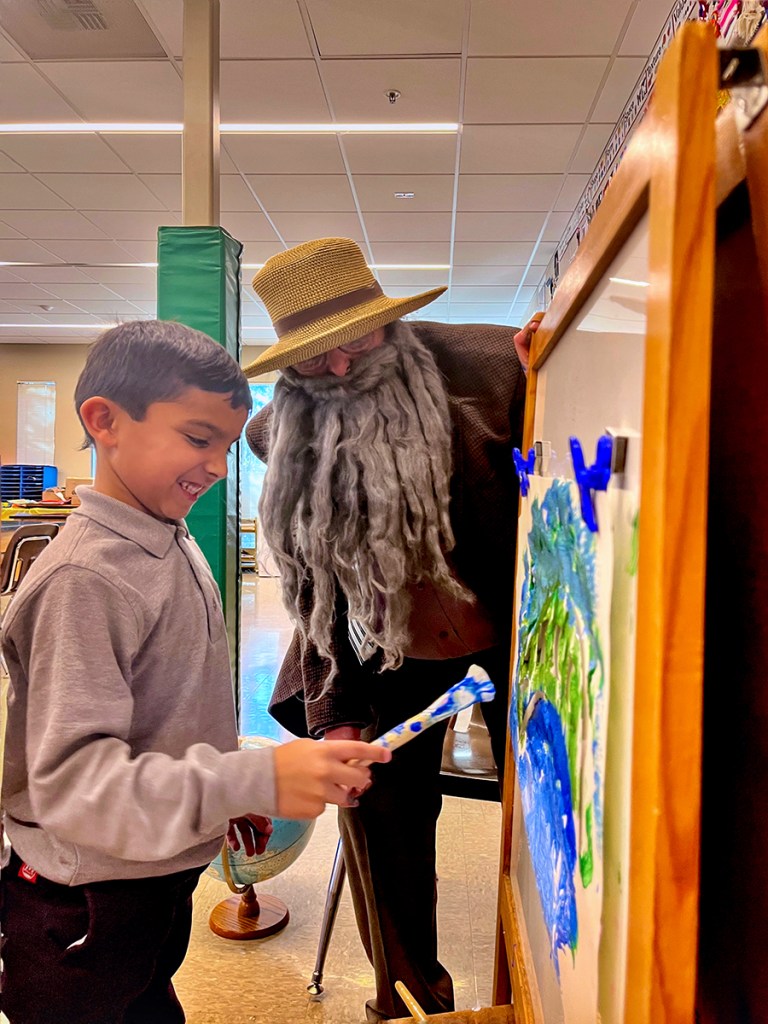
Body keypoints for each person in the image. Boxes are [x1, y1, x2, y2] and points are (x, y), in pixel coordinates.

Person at [0, 319, 390, 1024]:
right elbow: (72, 787)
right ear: (105, 422)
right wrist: (256, 776)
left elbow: (163, 713)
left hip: (149, 885)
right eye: (197, 438)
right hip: (80, 909)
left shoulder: (171, 541)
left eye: (228, 446)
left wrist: (218, 796)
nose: (216, 465)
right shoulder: (86, 580)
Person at [243, 237, 540, 1021]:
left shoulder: (500, 368)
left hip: (514, 640)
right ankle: (411, 1003)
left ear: (388, 319)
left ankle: (552, 980)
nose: (339, 368)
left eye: (356, 342)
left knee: (550, 810)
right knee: (384, 829)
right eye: (313, 360)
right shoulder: (279, 434)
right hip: (384, 658)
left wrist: (569, 357)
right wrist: (332, 708)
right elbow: (315, 589)